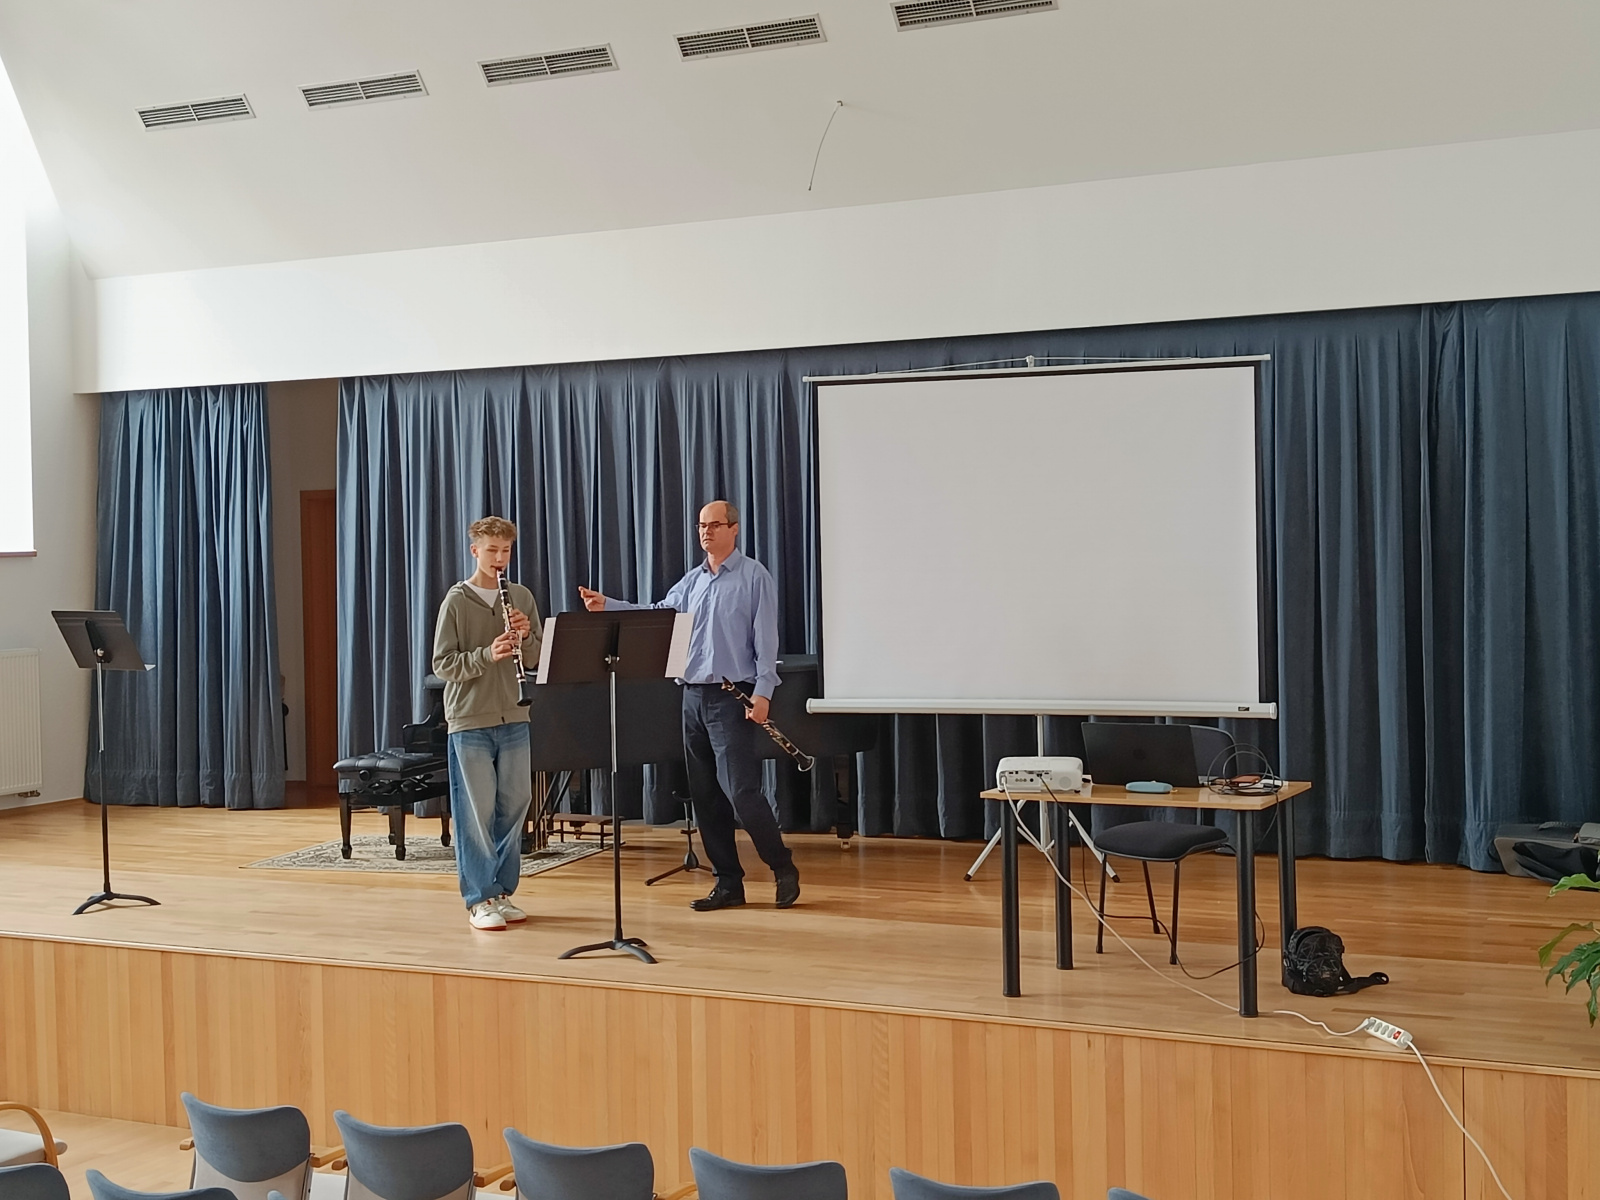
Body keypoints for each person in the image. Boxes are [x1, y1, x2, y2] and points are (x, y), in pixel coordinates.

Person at [579, 500, 799, 911]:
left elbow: (767, 640)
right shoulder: (692, 581)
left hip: (732, 696)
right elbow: (660, 614)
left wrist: (764, 692)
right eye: (701, 525)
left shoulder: (754, 577)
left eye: (714, 525)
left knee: (741, 792)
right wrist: (609, 605)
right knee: (705, 796)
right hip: (692, 697)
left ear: (734, 528)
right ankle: (728, 883)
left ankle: (782, 865)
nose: (705, 532)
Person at [432, 515, 542, 931]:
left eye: (506, 550)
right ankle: (479, 898)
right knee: (476, 811)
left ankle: (501, 891)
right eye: (492, 550)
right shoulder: (457, 600)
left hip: (514, 712)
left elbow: (537, 657)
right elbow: (443, 664)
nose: (499, 558)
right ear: (475, 550)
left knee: (514, 805)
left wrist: (526, 636)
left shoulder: (521, 596)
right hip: (470, 718)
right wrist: (487, 654)